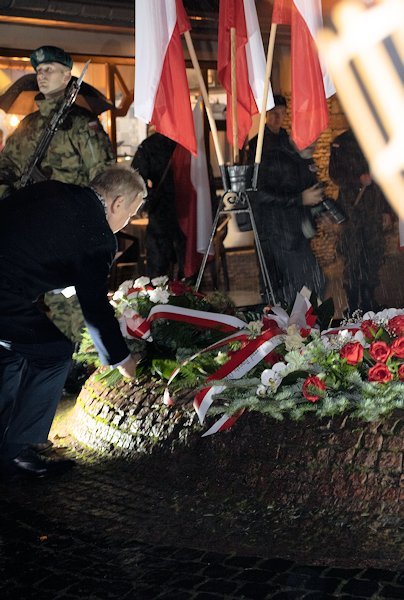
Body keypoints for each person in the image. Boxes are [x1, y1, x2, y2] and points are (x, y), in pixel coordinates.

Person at [0, 165, 146, 479]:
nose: (128, 222)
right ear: (117, 202)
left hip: (8, 292)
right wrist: (121, 358)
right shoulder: (98, 235)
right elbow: (93, 306)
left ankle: (7, 444)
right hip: (5, 294)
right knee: (53, 353)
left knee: (12, 355)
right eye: (131, 213)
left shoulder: (53, 190)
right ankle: (18, 452)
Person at [0, 46, 115, 358]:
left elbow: (103, 180)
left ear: (67, 75)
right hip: (29, 235)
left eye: (49, 68)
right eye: (39, 70)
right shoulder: (27, 127)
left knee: (73, 305)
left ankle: (81, 366)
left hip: (70, 232)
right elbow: (5, 169)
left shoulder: (82, 125)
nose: (42, 74)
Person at [247, 95, 325, 306]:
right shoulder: (258, 146)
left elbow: (301, 182)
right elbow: (257, 192)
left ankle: (299, 330)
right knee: (275, 286)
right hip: (271, 229)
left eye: (281, 113)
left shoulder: (291, 146)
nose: (277, 117)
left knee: (306, 283)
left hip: (294, 229)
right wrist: (299, 198)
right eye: (273, 113)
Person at [329, 128, 392, 314]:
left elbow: (386, 178)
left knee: (373, 255)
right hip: (351, 212)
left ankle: (368, 302)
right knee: (353, 256)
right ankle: (354, 304)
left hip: (374, 210)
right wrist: (357, 179)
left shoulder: (377, 140)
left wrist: (387, 211)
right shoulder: (341, 142)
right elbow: (335, 174)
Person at [131, 131, 186, 279]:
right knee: (184, 270)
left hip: (164, 211)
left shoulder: (150, 144)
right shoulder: (187, 141)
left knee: (158, 272)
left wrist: (149, 196)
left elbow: (135, 179)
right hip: (181, 210)